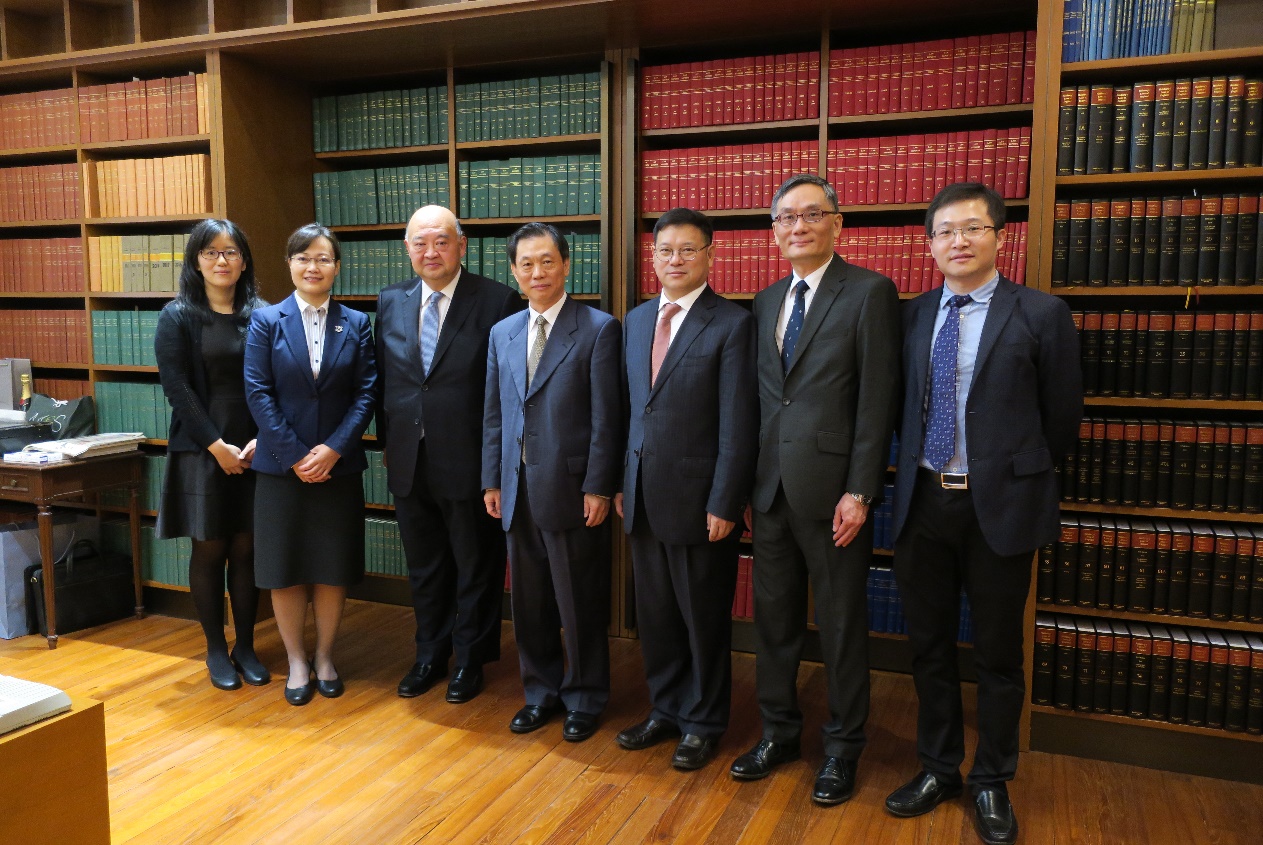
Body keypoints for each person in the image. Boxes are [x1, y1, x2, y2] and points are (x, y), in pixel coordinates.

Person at [885, 182, 1081, 845]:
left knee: (998, 652)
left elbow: (1060, 416)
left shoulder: (1040, 312)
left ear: (1000, 237)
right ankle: (938, 766)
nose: (957, 241)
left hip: (999, 503)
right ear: (930, 243)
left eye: (970, 228)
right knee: (929, 646)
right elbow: (896, 408)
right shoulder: (911, 315)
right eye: (943, 231)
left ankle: (991, 777)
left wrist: (1007, 471)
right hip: (921, 500)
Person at [730, 173, 900, 805]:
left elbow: (877, 401)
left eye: (811, 215)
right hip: (770, 488)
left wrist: (861, 491)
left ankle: (842, 748)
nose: (797, 226)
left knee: (839, 625)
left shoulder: (869, 293)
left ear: (837, 223)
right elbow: (765, 397)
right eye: (785, 218)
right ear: (774, 231)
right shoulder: (768, 298)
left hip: (835, 496)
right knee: (772, 622)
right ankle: (778, 732)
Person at [614, 207, 757, 770]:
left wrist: (726, 499)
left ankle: (703, 721)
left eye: (688, 250)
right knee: (656, 614)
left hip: (701, 501)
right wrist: (623, 480)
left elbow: (737, 421)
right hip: (643, 494)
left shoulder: (730, 323)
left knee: (702, 618)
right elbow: (632, 410)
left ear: (710, 256)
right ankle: (666, 709)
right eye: (666, 250)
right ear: (653, 257)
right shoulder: (637, 320)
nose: (675, 259)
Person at [376, 205, 522, 704]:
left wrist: (496, 466)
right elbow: (386, 382)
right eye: (420, 242)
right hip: (409, 458)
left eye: (441, 241)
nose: (430, 252)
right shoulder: (391, 300)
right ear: (408, 249)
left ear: (461, 245)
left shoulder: (497, 300)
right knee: (425, 566)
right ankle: (429, 654)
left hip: (470, 459)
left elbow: (505, 390)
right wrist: (387, 444)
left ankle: (471, 659)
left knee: (476, 564)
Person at [482, 222, 622, 742]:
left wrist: (599, 486)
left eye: (547, 261)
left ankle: (586, 697)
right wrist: (492, 479)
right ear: (514, 272)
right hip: (515, 487)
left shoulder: (598, 328)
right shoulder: (503, 331)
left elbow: (609, 418)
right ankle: (540, 692)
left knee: (578, 600)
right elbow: (494, 414)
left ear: (566, 265)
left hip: (572, 488)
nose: (537, 272)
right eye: (526, 264)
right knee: (531, 601)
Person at [244, 224, 377, 706]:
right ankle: (296, 659)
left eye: (322, 259)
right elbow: (258, 393)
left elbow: (366, 394)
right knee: (285, 568)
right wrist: (297, 454)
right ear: (290, 264)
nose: (313, 267)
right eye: (303, 258)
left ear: (337, 267)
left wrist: (334, 449)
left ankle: (324, 656)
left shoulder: (357, 323)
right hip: (282, 470)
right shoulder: (266, 321)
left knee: (330, 566)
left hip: (337, 469)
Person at [155, 219, 269, 691]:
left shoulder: (264, 313)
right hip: (203, 451)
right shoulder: (178, 316)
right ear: (196, 260)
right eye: (211, 253)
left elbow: (278, 381)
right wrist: (216, 446)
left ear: (244, 260)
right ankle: (215, 649)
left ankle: (246, 644)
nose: (222, 261)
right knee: (210, 549)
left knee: (248, 549)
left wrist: (264, 438)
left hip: (256, 448)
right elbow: (177, 389)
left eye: (231, 252)